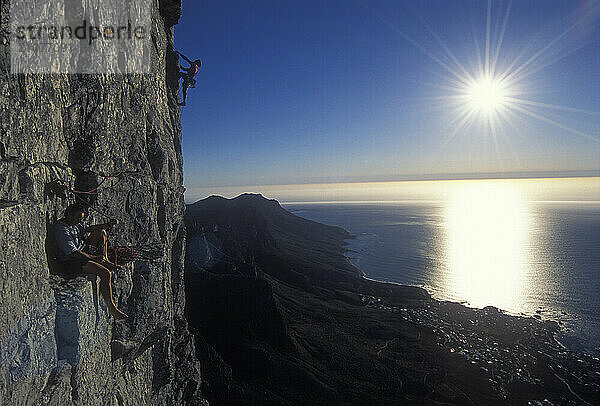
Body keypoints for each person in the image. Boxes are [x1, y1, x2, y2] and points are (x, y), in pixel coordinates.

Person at [54, 204, 128, 320]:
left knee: (101, 232)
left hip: (82, 251)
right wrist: (93, 258)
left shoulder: (74, 224)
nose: (80, 220)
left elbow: (88, 229)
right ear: (69, 215)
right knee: (105, 273)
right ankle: (112, 308)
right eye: (78, 217)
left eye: (81, 218)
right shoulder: (62, 229)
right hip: (72, 261)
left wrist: (107, 225)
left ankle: (105, 260)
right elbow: (74, 254)